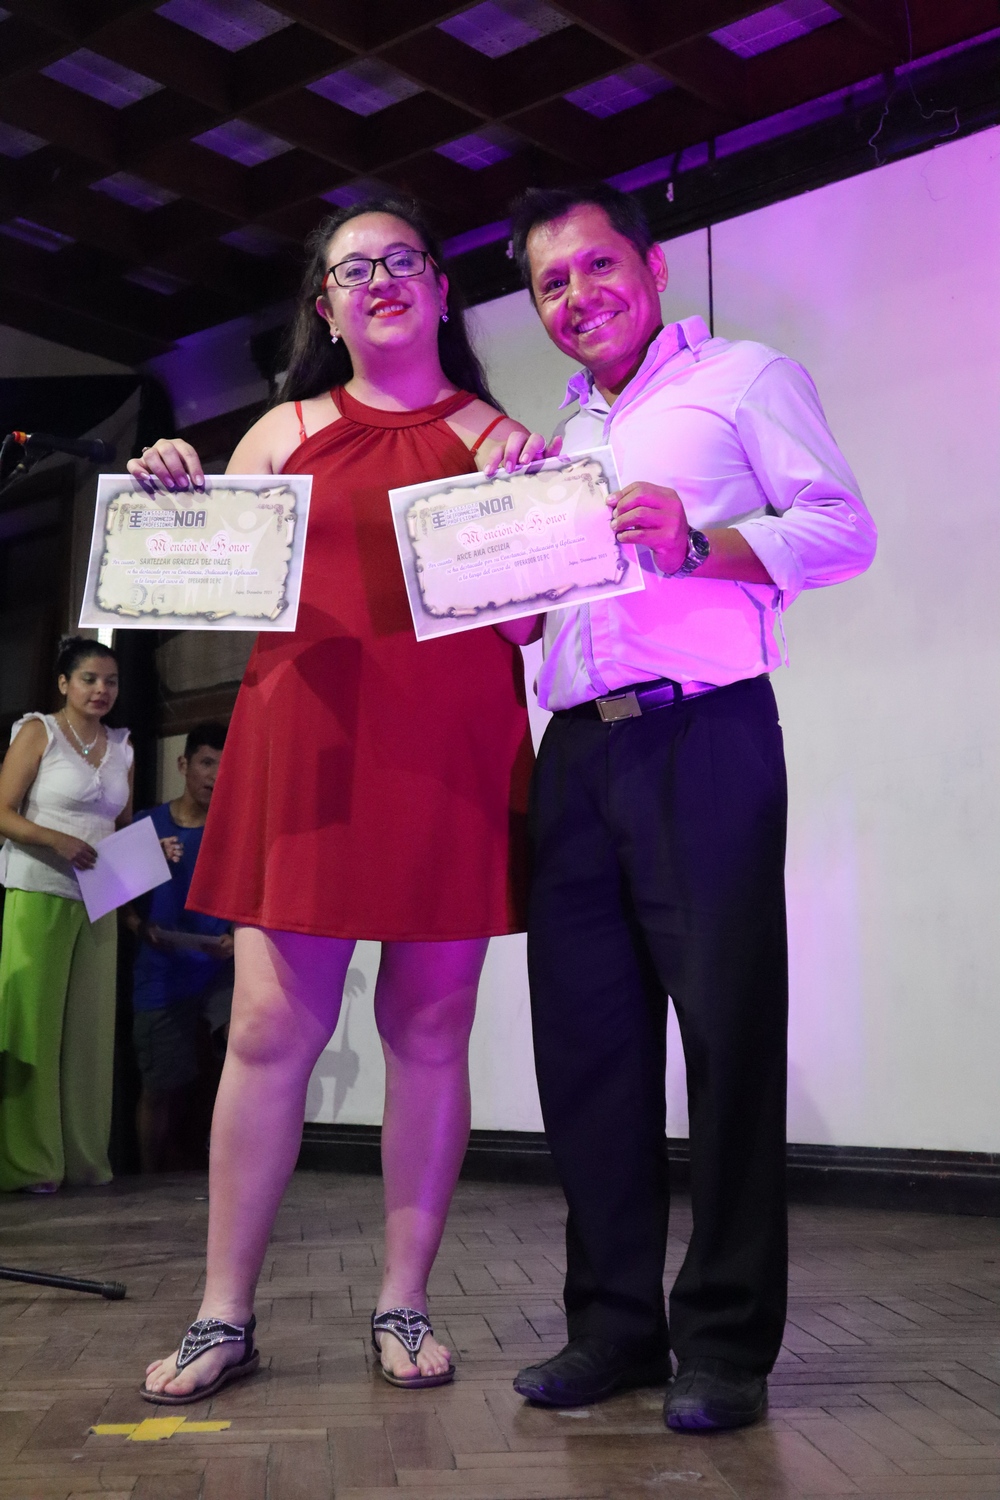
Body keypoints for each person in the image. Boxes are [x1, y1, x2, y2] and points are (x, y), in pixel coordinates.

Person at [130, 194, 547, 1404]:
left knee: (429, 1033)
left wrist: (523, 499)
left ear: (442, 290)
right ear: (324, 307)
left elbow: (525, 625)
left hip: (449, 755)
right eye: (353, 269)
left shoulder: (501, 437)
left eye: (403, 260)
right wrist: (173, 492)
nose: (380, 280)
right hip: (303, 752)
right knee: (266, 1033)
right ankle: (223, 1314)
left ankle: (403, 1300)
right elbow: (211, 588)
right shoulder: (283, 430)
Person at [504, 185, 878, 1430]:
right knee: (588, 1051)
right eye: (551, 283)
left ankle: (722, 1343)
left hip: (704, 736)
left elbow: (843, 528)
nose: (577, 296)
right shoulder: (556, 440)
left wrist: (699, 541)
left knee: (727, 1039)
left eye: (596, 265)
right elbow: (533, 616)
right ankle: (612, 1328)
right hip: (574, 755)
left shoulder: (744, 377)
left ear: (652, 266)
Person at [0, 636, 133, 1193]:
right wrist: (55, 839)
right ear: (63, 683)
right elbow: (2, 812)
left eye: (110, 681)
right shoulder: (39, 732)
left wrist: (151, 853)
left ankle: (83, 1160)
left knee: (90, 1035)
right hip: (39, 889)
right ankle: (33, 1164)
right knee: (34, 1028)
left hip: (100, 900)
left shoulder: (122, 746)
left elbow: (120, 829)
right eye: (89, 679)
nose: (101, 690)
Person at [125, 721, 234, 1173]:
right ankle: (149, 1178)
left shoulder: (235, 830)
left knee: (241, 1058)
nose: (215, 776)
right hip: (162, 970)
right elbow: (116, 899)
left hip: (221, 967)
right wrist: (140, 927)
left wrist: (237, 937)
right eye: (207, 763)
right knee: (159, 1086)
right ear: (183, 764)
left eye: (225, 766)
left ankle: (224, 1166)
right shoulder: (146, 826)